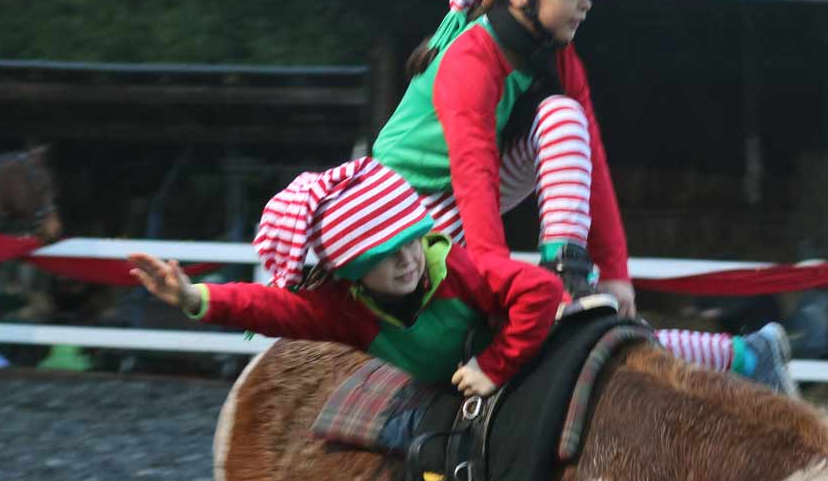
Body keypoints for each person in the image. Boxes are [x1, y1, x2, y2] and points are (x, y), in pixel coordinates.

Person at [370, 0, 794, 397]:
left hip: (467, 194)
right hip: (404, 209)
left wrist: (614, 273)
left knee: (564, 118)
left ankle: (571, 271)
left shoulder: (560, 58)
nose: (587, 2)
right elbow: (473, 176)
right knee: (510, 334)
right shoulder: (468, 62)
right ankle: (743, 356)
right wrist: (499, 287)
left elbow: (593, 163)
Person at [129, 158, 562, 397]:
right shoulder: (343, 309)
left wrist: (494, 365)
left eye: (411, 242)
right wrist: (191, 297)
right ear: (352, 272)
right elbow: (270, 307)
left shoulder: (458, 267)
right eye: (386, 256)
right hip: (443, 388)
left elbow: (542, 288)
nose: (408, 261)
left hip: (519, 362)